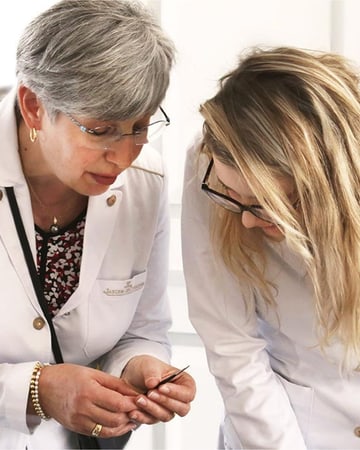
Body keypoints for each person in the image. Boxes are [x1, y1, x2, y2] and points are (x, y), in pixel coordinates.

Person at [0, 0, 196, 448]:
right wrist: (36, 390)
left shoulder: (146, 181)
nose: (125, 156)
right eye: (100, 130)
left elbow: (143, 329)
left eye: (141, 126)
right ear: (34, 106)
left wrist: (141, 367)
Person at [181, 46, 360, 450]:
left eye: (266, 205)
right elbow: (232, 346)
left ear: (329, 187)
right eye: (232, 195)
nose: (245, 220)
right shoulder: (212, 161)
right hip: (274, 430)